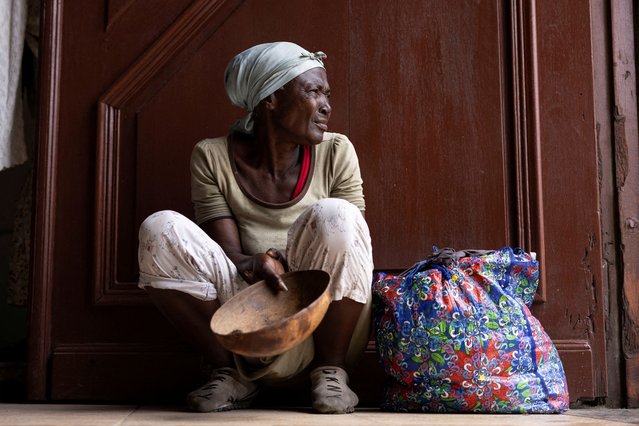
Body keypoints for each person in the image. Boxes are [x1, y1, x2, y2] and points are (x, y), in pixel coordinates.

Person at [137, 41, 373, 414]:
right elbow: (226, 250)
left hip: (324, 322)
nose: (326, 106)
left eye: (327, 94)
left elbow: (353, 248)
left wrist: (286, 262)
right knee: (159, 228)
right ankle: (231, 375)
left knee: (339, 215)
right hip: (248, 319)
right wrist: (251, 263)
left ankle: (331, 372)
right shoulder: (211, 156)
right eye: (313, 92)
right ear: (270, 100)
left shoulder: (336, 151)